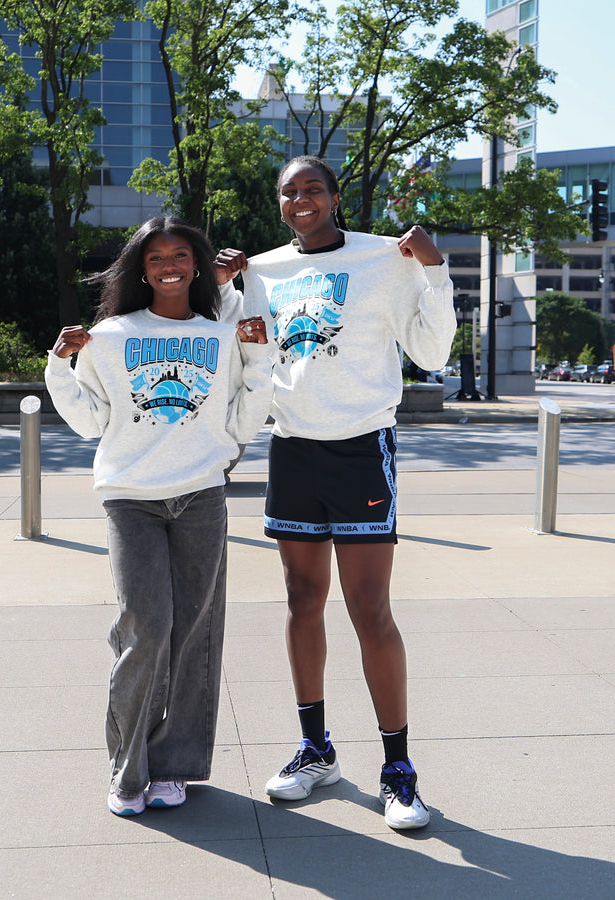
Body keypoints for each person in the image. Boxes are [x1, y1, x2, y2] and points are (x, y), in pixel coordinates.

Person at [215, 156, 456, 830]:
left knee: (370, 608)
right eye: (290, 191)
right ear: (279, 201)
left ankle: (399, 770)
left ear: (335, 197)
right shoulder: (262, 272)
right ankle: (315, 750)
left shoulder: (385, 258)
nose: (301, 200)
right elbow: (233, 350)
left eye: (313, 189)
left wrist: (434, 270)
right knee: (301, 601)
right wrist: (219, 289)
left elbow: (433, 353)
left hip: (361, 450)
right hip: (292, 449)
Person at [45, 216, 272, 817]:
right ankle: (128, 769)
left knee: (195, 632)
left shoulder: (221, 336)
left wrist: (257, 357)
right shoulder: (112, 335)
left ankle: (174, 766)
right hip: (131, 499)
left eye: (178, 254)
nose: (168, 264)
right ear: (140, 270)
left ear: (196, 264)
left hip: (201, 494)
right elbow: (91, 420)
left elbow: (247, 412)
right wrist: (57, 364)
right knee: (146, 625)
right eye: (154, 257)